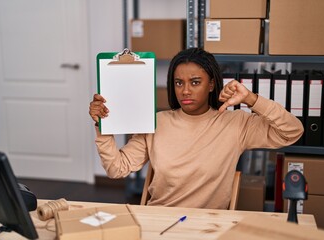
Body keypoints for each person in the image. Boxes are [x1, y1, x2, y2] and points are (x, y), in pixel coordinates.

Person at [89, 47, 303, 210]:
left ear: (211, 84)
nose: (185, 91)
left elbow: (292, 132)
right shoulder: (157, 121)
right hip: (158, 221)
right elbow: (116, 168)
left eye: (195, 82)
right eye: (179, 83)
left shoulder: (235, 124)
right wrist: (103, 125)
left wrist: (251, 99)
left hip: (207, 227)